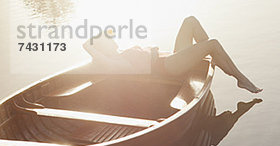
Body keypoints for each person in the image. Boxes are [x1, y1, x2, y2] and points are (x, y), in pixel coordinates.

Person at [83, 16, 262, 93]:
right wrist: (91, 45)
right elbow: (87, 47)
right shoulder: (115, 62)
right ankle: (241, 79)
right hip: (168, 67)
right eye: (106, 39)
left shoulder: (122, 52)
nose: (111, 38)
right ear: (102, 47)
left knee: (190, 21)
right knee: (213, 43)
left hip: (170, 59)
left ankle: (212, 54)